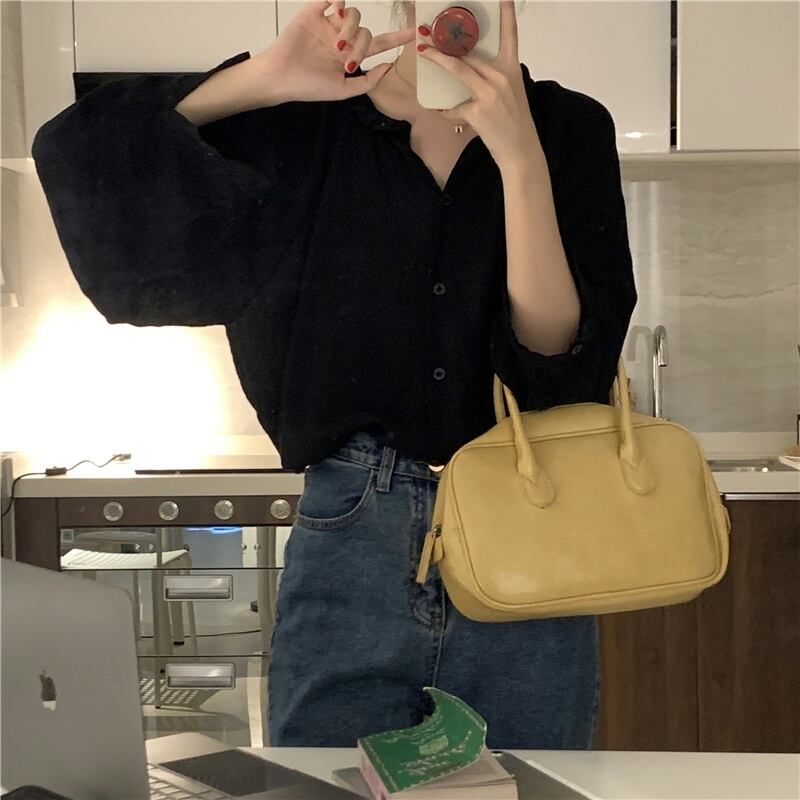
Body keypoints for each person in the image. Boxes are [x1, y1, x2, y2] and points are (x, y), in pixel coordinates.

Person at [31, 0, 637, 749]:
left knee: (528, 788)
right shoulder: (306, 118)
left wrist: (519, 160)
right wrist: (264, 77)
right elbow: (82, 156)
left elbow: (561, 364)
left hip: (531, 524)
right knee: (323, 786)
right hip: (353, 524)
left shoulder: (567, 127)